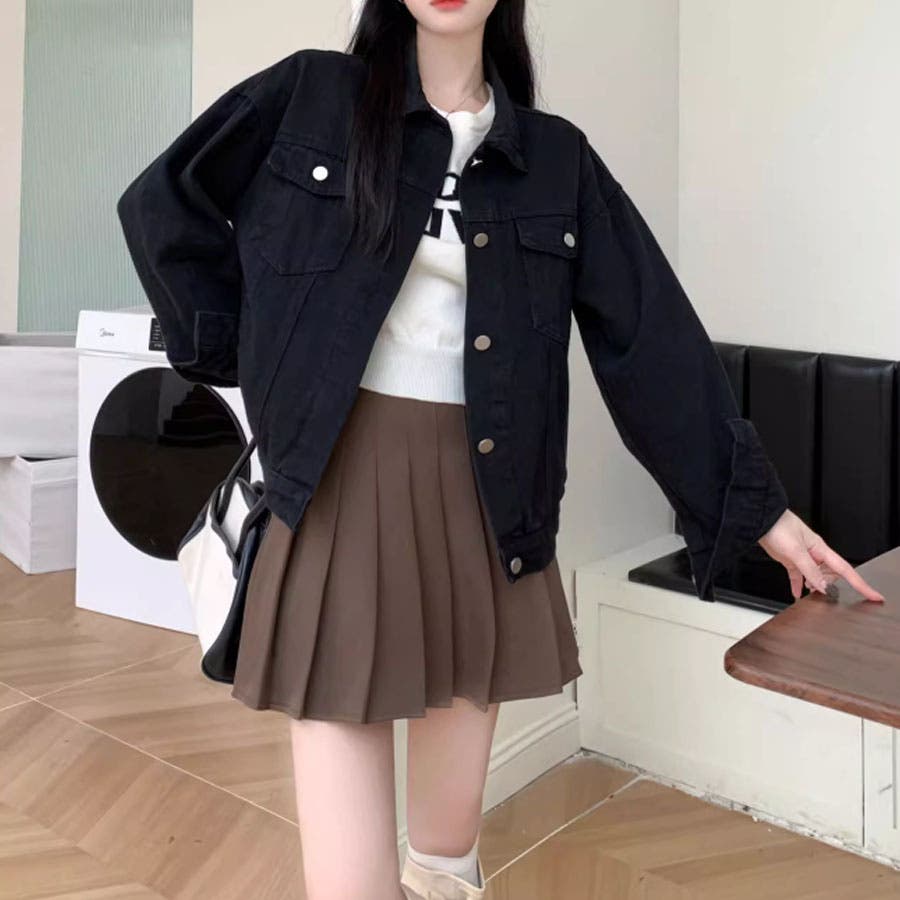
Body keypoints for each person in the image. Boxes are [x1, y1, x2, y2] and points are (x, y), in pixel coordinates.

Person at [116, 1, 885, 898]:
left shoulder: (555, 160)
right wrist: (247, 355)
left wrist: (763, 513)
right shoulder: (310, 96)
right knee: (350, 885)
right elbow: (162, 204)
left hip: (486, 500)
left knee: (445, 860)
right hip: (333, 491)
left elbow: (651, 342)